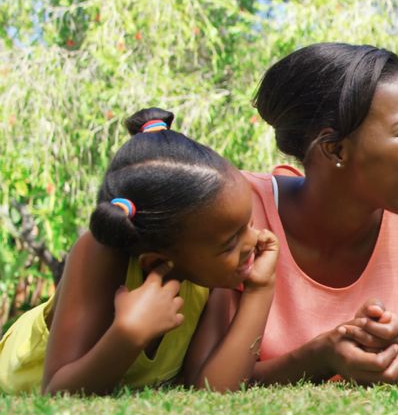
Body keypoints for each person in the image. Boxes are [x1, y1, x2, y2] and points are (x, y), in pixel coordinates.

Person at [0, 108, 279, 395]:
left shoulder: (212, 275)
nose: (252, 241)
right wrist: (129, 334)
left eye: (249, 223)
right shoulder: (100, 253)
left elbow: (212, 389)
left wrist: (261, 288)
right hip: (19, 379)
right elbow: (58, 393)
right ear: (157, 260)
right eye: (231, 243)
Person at [227, 43, 398, 385]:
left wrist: (390, 347)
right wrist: (320, 356)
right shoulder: (239, 212)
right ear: (335, 149)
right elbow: (213, 378)